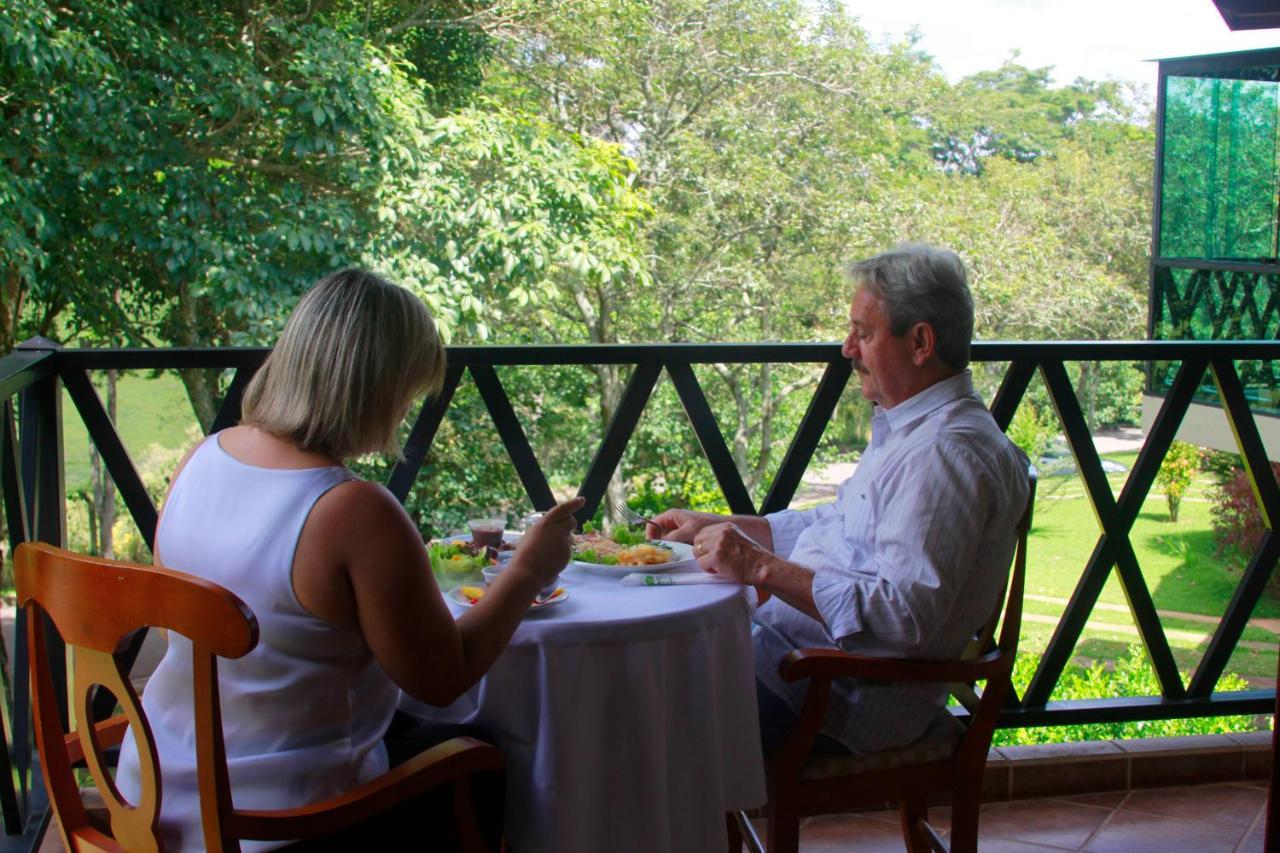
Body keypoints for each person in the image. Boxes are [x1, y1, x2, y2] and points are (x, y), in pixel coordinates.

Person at [116, 269, 584, 851]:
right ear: (375, 389)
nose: (406, 411)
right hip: (281, 822)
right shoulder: (352, 510)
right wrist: (528, 571)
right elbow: (443, 677)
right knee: (486, 757)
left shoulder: (202, 459)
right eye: (407, 393)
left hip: (155, 791)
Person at [647, 244, 1030, 756]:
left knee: (637, 712)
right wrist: (725, 526)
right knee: (642, 667)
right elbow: (840, 522)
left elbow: (903, 619)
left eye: (864, 333)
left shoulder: (944, 453)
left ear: (920, 342)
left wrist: (761, 568)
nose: (847, 349)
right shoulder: (913, 429)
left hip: (837, 693)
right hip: (798, 663)